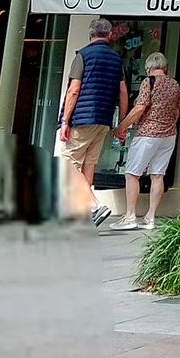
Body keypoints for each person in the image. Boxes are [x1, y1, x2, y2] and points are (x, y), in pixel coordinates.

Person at [58, 18, 127, 226]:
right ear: (110, 35)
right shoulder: (117, 59)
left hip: (82, 118)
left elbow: (74, 90)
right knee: (88, 165)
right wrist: (121, 123)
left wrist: (65, 120)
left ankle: (94, 205)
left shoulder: (83, 55)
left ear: (90, 34)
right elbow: (123, 92)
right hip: (104, 119)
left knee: (67, 164)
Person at [112, 52, 180, 231]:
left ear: (148, 68)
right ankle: (150, 218)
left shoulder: (148, 82)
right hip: (169, 135)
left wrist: (121, 126)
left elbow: (140, 107)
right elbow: (176, 111)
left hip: (147, 134)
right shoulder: (174, 84)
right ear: (165, 67)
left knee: (132, 174)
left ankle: (130, 216)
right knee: (158, 175)